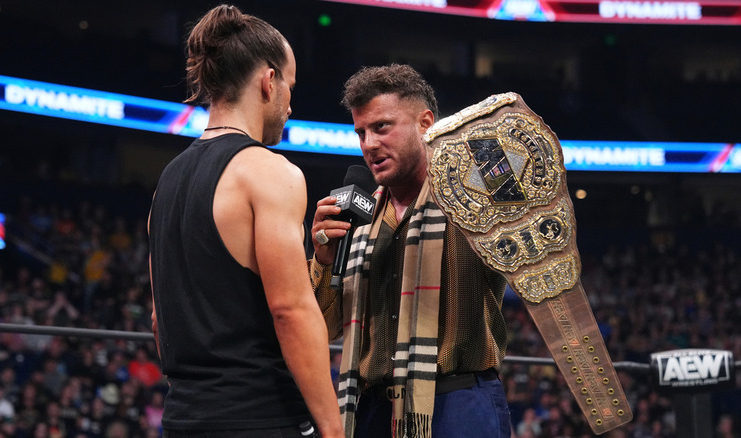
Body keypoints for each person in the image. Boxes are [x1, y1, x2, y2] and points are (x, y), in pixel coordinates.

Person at [148, 5, 342, 438]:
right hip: (261, 416)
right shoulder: (270, 172)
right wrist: (333, 428)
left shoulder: (168, 181)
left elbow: (161, 319)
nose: (291, 103)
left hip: (182, 419)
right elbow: (290, 309)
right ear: (269, 82)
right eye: (291, 85)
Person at [309, 64, 512, 438]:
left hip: (458, 402)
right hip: (370, 410)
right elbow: (324, 329)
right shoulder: (358, 218)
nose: (369, 143)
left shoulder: (476, 198)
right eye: (361, 132)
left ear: (426, 123)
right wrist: (324, 261)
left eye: (382, 126)